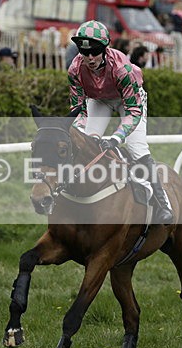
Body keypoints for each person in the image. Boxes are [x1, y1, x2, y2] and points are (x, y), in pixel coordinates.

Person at [68, 19, 174, 224]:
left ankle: (163, 204)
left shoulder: (122, 69)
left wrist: (116, 138)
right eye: (84, 51)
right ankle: (84, 196)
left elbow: (134, 111)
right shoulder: (74, 69)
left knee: (136, 148)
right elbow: (78, 109)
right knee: (87, 143)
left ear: (105, 49)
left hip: (129, 102)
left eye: (95, 51)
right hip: (99, 99)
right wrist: (77, 130)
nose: (90, 57)